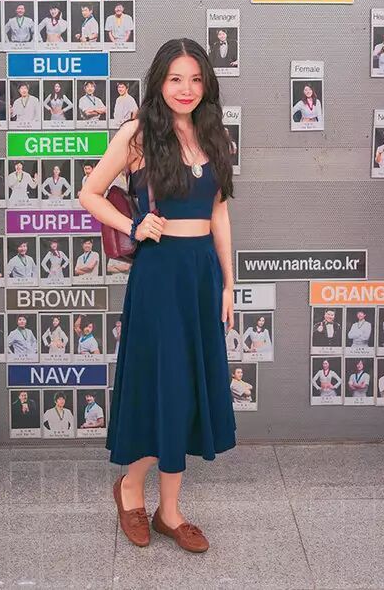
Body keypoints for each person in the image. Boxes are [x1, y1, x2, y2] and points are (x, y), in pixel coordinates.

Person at [79, 37, 237, 553]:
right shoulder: (138, 134)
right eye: (175, 79)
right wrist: (133, 225)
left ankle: (170, 512)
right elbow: (89, 193)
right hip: (159, 276)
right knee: (162, 386)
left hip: (201, 275)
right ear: (159, 82)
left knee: (187, 389)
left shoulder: (214, 135)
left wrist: (229, 283)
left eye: (195, 79)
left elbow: (218, 212)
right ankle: (131, 488)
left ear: (206, 85)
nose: (185, 89)